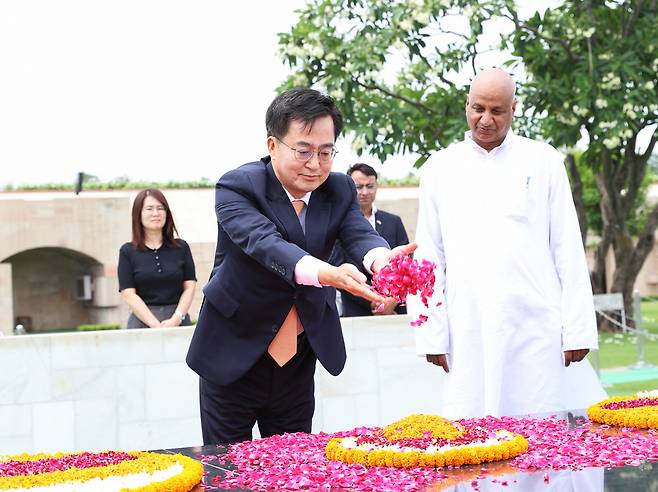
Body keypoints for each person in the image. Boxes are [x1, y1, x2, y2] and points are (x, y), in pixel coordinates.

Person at [186, 88, 415, 445]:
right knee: (227, 473)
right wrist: (328, 274)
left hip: (297, 355)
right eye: (303, 150)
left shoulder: (338, 188)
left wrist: (382, 261)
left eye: (326, 152)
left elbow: (358, 236)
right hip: (234, 350)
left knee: (293, 467)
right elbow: (267, 245)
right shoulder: (238, 186)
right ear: (273, 145)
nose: (315, 164)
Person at [412, 68, 606, 419]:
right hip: (467, 326)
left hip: (535, 324)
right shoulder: (439, 168)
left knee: (540, 429)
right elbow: (429, 255)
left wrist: (577, 330)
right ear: (466, 105)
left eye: (497, 111)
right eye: (478, 108)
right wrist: (432, 334)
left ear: (514, 109)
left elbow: (567, 246)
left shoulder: (544, 160)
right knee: (474, 434)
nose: (485, 120)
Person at [329, 163, 409, 316]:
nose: (365, 192)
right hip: (355, 308)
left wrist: (391, 299)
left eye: (370, 186)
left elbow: (405, 259)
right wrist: (371, 298)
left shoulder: (393, 221)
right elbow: (336, 264)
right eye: (359, 187)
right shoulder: (337, 223)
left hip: (393, 308)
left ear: (377, 186)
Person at [118, 189, 197, 328]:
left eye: (160, 208)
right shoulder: (127, 251)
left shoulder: (181, 247)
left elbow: (190, 286)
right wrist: (154, 324)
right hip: (141, 323)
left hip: (179, 321)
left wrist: (176, 319)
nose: (156, 213)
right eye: (149, 208)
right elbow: (128, 293)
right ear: (138, 214)